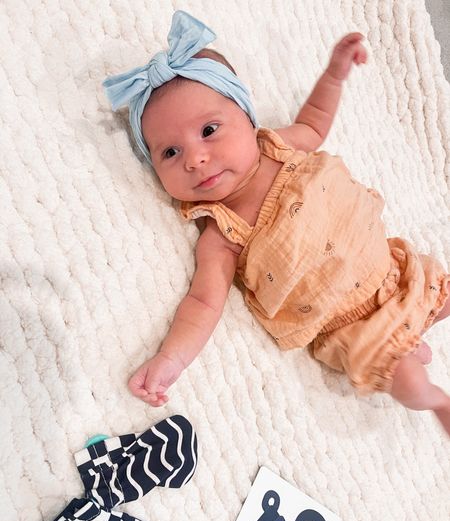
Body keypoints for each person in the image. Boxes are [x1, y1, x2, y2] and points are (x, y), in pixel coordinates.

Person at [104, 11, 450, 434]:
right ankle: (436, 400)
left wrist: (335, 73)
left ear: (249, 121)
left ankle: (414, 333)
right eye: (170, 154)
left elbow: (316, 120)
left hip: (399, 272)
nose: (195, 158)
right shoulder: (222, 234)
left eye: (209, 130)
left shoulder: (280, 146)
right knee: (407, 379)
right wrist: (171, 359)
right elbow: (203, 304)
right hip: (355, 327)